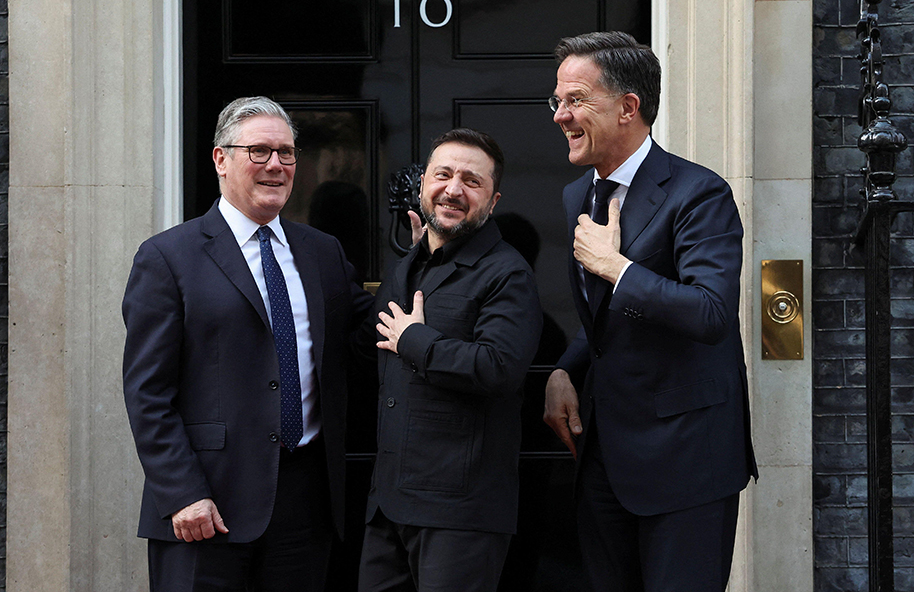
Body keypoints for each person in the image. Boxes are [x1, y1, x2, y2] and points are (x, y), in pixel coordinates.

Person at [122, 96, 373, 591]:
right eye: (259, 152)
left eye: (286, 153)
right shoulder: (167, 257)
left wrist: (427, 254)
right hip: (205, 506)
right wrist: (182, 492)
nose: (276, 165)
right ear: (221, 158)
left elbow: (369, 334)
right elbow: (147, 393)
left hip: (305, 504)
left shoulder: (322, 252)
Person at [542, 32, 758, 591]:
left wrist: (617, 267)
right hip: (604, 460)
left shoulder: (699, 193)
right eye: (557, 101)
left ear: (627, 107)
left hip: (687, 461)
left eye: (575, 100)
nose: (561, 115)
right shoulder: (576, 196)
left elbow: (710, 313)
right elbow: (605, 319)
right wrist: (566, 367)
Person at [356, 128, 543, 592]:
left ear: (493, 200)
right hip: (389, 506)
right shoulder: (409, 264)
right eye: (443, 175)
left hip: (460, 514)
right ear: (423, 185)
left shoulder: (508, 273)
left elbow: (498, 366)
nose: (453, 190)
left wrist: (416, 340)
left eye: (471, 181)